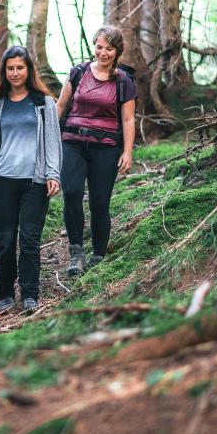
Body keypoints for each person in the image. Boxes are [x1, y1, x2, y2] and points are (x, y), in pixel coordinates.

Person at [0, 46, 62, 313]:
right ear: (4, 71)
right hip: (3, 181)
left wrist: (52, 173)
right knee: (5, 241)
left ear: (29, 69)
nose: (15, 73)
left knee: (30, 240)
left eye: (19, 68)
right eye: (10, 68)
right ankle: (5, 294)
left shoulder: (43, 103)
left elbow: (54, 142)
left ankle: (31, 293)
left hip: (34, 182)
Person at [55, 25, 137, 276]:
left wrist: (127, 152)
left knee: (100, 201)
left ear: (117, 51)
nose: (102, 53)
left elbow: (128, 120)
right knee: (72, 192)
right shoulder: (79, 72)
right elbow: (60, 106)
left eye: (109, 49)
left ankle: (98, 254)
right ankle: (76, 253)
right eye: (99, 47)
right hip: (72, 141)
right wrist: (47, 141)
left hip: (106, 147)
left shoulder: (123, 81)